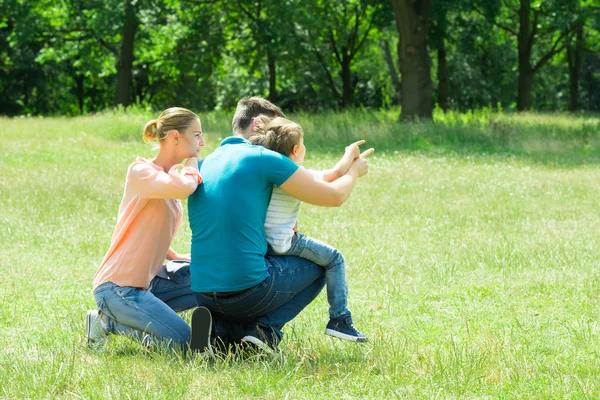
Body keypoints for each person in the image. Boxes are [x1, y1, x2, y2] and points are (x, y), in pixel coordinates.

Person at [188, 97, 373, 353]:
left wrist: (343, 163)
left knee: (235, 329)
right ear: (258, 124)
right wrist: (353, 173)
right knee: (321, 264)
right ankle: (266, 331)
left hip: (201, 290)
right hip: (246, 290)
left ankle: (217, 329)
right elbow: (334, 196)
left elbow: (315, 177)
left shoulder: (205, 162)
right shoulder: (264, 158)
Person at [86, 107, 205, 350]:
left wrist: (174, 256)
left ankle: (225, 332)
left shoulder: (169, 177)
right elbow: (185, 188)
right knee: (184, 345)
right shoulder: (141, 172)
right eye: (196, 135)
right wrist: (192, 165)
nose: (202, 142)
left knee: (211, 278)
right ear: (175, 137)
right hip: (119, 288)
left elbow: (149, 228)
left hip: (148, 284)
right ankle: (107, 322)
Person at [248, 116, 368, 342]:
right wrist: (354, 168)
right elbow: (332, 180)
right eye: (303, 144)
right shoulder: (290, 172)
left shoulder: (267, 170)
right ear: (295, 149)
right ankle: (339, 318)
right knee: (334, 259)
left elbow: (332, 173)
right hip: (283, 241)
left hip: (261, 242)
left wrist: (349, 155)